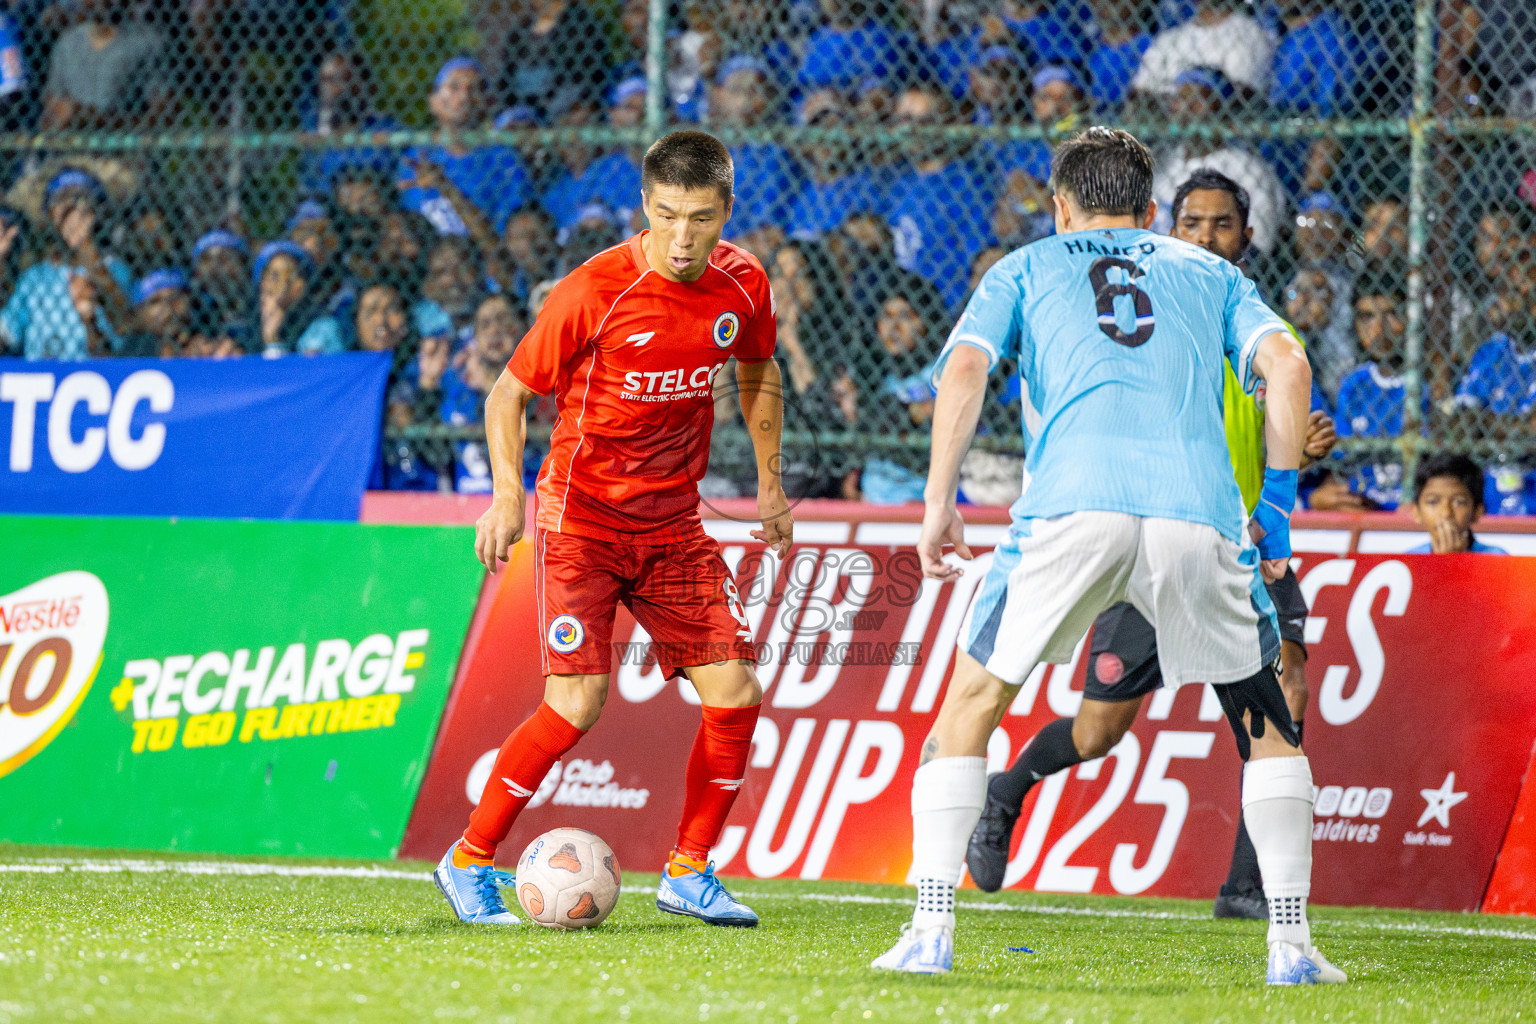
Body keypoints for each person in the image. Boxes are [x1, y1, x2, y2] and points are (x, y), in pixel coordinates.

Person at [872, 128, 1345, 986]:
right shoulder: (1210, 272)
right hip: (1196, 516)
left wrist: (939, 502)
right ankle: (1291, 945)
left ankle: (930, 927)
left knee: (972, 702)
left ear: (1060, 206)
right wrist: (1273, 507)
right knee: (1266, 719)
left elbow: (966, 369)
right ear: (1154, 211)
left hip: (1069, 511)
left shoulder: (1021, 267)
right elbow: (1289, 363)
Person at [436, 130, 792, 930]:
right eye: (667, 216)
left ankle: (690, 871)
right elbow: (507, 394)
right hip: (583, 521)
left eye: (701, 218)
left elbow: (759, 372)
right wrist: (504, 497)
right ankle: (467, 861)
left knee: (735, 691)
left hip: (672, 525)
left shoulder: (744, 285)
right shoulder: (597, 289)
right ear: (645, 206)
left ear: (726, 210)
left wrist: (771, 481)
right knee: (577, 702)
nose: (683, 237)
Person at [967, 167, 1339, 925]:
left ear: (1249, 235)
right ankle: (1008, 788)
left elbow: (1285, 407)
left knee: (1284, 689)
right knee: (1099, 730)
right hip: (1150, 528)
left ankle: (1248, 889)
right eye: (1192, 223)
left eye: (1222, 224)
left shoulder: (1253, 316)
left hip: (1244, 541)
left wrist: (1296, 457)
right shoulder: (1157, 311)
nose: (1206, 235)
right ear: (1164, 228)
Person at [400, 58, 531, 238]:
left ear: (487, 103)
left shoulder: (504, 160)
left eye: (475, 89)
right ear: (434, 101)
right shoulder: (416, 158)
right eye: (454, 87)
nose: (464, 96)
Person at [1129, 0, 1273, 98]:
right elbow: (1139, 94)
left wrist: (1173, 95)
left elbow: (1234, 99)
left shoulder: (1250, 36)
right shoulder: (1168, 39)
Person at [1406, 453, 1508, 554]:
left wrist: (1454, 562)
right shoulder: (1410, 559)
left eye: (1458, 502)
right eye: (1433, 502)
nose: (1446, 513)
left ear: (1477, 511)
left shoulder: (1496, 558)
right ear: (1416, 511)